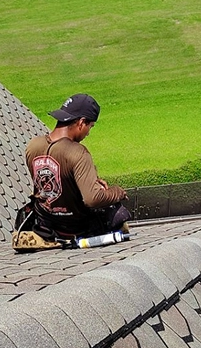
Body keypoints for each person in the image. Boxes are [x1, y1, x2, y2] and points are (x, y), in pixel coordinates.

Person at [25, 93, 130, 239]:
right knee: (117, 210)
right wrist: (117, 192)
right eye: (90, 126)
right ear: (81, 122)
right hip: (74, 228)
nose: (88, 133)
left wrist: (89, 181)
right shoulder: (77, 152)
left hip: (46, 225)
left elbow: (51, 179)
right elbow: (92, 199)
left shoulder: (33, 145)